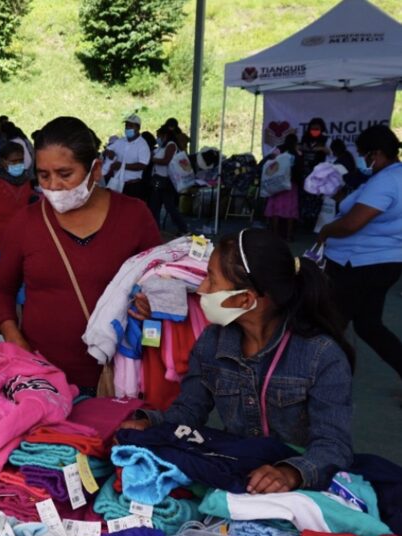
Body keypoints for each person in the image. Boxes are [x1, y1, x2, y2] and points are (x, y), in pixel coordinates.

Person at [123, 228, 354, 493]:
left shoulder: (321, 356)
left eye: (211, 280)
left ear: (246, 299)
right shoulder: (211, 342)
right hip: (239, 471)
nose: (201, 289)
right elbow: (189, 411)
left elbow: (334, 445)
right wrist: (150, 423)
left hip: (300, 488)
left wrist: (291, 473)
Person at [0, 117, 161, 392]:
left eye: (65, 174)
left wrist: (150, 306)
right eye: (44, 175)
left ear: (95, 170)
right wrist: (13, 338)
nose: (53, 185)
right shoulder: (27, 221)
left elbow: (161, 283)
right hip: (43, 379)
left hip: (120, 376)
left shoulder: (134, 215)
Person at [320, 125, 402, 384]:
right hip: (383, 261)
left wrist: (325, 230)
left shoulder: (386, 181)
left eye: (365, 154)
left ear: (376, 153)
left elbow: (351, 224)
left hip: (358, 263)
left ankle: (319, 377)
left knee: (330, 323)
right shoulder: (393, 176)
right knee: (368, 325)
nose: (364, 160)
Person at [0, 141, 36, 248]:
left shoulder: (25, 179)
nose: (18, 164)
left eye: (21, 160)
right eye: (14, 161)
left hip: (19, 234)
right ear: (3, 161)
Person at [149, 125, 189, 234]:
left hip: (166, 181)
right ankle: (155, 230)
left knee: (169, 207)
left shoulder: (171, 145)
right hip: (158, 179)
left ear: (165, 136)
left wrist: (153, 160)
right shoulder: (161, 147)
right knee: (155, 207)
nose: (158, 139)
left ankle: (183, 228)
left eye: (159, 136)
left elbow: (166, 160)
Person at [263, 134, 302, 242]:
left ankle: (275, 234)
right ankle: (289, 236)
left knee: (276, 211)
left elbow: (268, 164)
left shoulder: (278, 151)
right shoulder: (296, 154)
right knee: (290, 212)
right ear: (295, 143)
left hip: (276, 184)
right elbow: (299, 169)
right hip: (291, 185)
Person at [103, 114, 151, 197]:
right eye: (126, 126)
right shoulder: (120, 141)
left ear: (138, 128)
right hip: (117, 183)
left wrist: (122, 166)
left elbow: (142, 165)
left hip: (132, 186)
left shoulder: (142, 145)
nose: (128, 128)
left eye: (131, 126)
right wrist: (109, 153)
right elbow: (107, 149)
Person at [299, 118, 332, 223]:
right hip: (305, 173)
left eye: (317, 129)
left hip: (319, 174)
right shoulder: (305, 139)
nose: (314, 131)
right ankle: (304, 219)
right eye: (312, 128)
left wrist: (323, 149)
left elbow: (331, 154)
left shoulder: (327, 140)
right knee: (304, 197)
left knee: (316, 198)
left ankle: (314, 221)